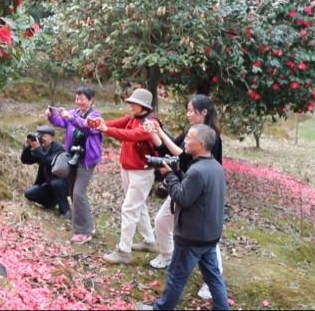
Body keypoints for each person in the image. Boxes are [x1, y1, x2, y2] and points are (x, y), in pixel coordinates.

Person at [136, 124, 229, 311]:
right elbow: (194, 191)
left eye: (189, 138)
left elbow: (182, 198)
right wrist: (177, 173)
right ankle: (222, 307)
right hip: (210, 235)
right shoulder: (215, 167)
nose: (185, 141)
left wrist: (169, 175)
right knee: (213, 277)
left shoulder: (197, 171)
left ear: (201, 144)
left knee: (176, 276)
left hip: (191, 237)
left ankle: (161, 308)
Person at [147, 94, 223, 300]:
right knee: (162, 221)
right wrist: (156, 133)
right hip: (183, 186)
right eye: (187, 109)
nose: (188, 114)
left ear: (204, 112)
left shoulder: (211, 138)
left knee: (206, 247)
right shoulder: (190, 133)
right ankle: (166, 254)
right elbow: (167, 150)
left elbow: (181, 156)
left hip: (196, 197)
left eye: (192, 110)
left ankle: (206, 285)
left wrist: (169, 175)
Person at [94, 88, 159, 264]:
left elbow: (131, 136)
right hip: (129, 169)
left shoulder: (150, 123)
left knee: (129, 209)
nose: (130, 105)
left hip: (142, 172)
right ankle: (149, 240)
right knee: (139, 206)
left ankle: (124, 251)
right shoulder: (133, 117)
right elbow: (118, 123)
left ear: (143, 106)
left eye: (134, 103)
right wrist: (101, 124)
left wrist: (106, 129)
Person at [47, 85, 103, 244]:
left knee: (79, 193)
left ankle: (83, 231)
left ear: (91, 101)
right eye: (77, 98)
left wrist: (71, 118)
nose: (78, 102)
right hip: (73, 157)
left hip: (87, 160)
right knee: (73, 193)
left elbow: (88, 127)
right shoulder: (74, 113)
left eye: (82, 99)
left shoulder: (96, 116)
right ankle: (87, 225)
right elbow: (61, 122)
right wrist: (51, 116)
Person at [20, 125, 70, 219]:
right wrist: (27, 147)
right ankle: (50, 203)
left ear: (51, 137)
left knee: (56, 183)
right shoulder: (41, 148)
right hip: (47, 184)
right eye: (39, 134)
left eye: (43, 135)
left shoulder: (58, 148)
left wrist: (38, 149)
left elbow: (50, 162)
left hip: (63, 184)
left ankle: (65, 210)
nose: (40, 137)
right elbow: (26, 160)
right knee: (29, 193)